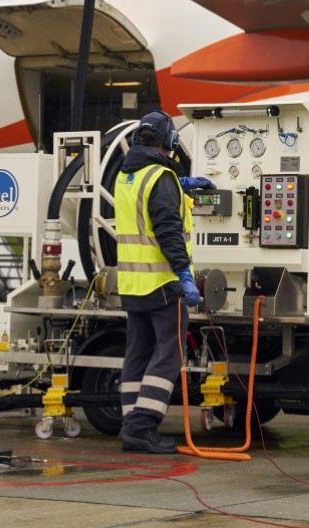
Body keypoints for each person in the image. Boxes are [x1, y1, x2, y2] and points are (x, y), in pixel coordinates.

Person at [114, 110, 213, 453]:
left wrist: (182, 184)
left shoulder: (127, 175)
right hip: (162, 282)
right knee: (170, 355)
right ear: (171, 140)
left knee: (137, 353)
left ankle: (131, 425)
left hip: (132, 284)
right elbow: (168, 229)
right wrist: (185, 275)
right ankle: (143, 428)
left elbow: (144, 202)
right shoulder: (160, 177)